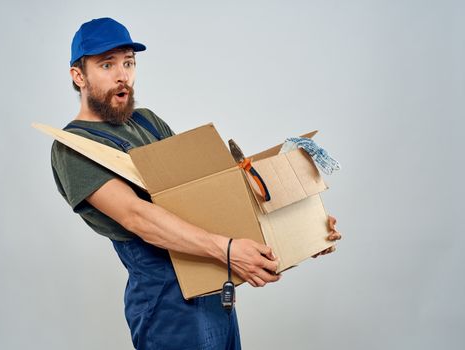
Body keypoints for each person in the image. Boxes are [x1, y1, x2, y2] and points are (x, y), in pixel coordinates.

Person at [50, 17, 342, 350]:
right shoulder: (73, 146)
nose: (123, 75)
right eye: (107, 64)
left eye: (129, 62)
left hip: (214, 282)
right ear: (78, 75)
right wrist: (229, 250)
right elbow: (137, 216)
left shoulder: (146, 120)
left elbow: (209, 190)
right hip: (167, 304)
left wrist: (300, 230)